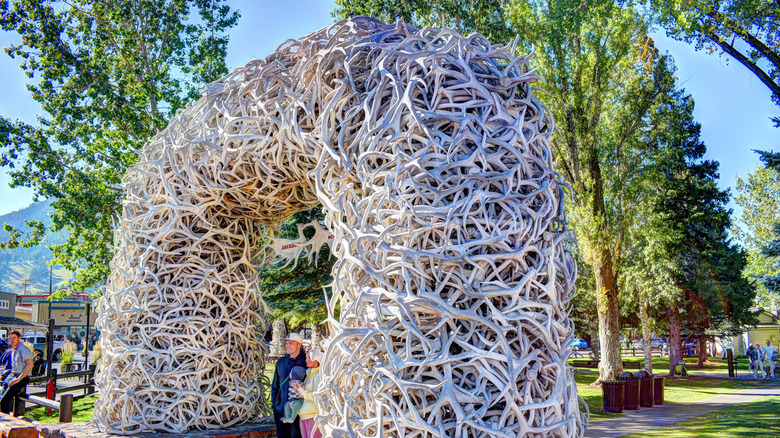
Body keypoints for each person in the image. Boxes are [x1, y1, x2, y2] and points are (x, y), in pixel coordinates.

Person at [272, 332, 307, 438]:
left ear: (299, 345)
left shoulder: (306, 362)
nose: (287, 346)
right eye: (286, 343)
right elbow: (275, 385)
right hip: (281, 410)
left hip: (298, 412)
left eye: (291, 343)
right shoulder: (281, 362)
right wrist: (274, 405)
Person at [0, 331, 33, 414]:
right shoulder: (14, 349)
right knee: (3, 399)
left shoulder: (23, 348)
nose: (12, 340)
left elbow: (30, 364)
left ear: (19, 338)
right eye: (10, 338)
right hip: (12, 375)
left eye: (14, 338)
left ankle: (8, 423)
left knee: (3, 401)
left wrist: (18, 379)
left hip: (21, 377)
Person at [296, 348, 323, 438]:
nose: (306, 360)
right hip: (304, 416)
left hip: (312, 417)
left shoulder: (318, 375)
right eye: (306, 357)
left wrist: (300, 390)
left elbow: (317, 396)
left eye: (309, 358)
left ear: (317, 360)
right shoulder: (309, 374)